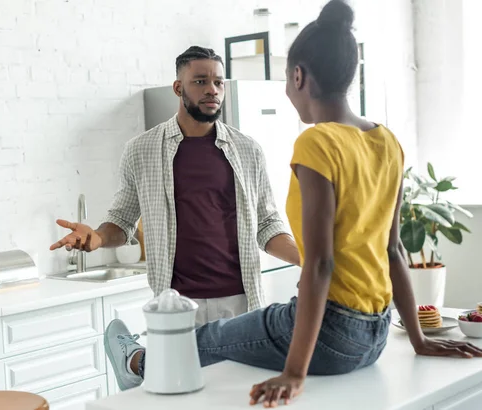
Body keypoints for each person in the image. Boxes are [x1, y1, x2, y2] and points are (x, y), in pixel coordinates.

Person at [101, 0, 482, 405]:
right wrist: (419, 338)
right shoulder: (387, 141)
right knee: (223, 356)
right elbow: (393, 250)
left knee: (203, 340)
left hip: (330, 333)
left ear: (298, 76)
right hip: (376, 334)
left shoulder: (316, 142)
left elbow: (320, 263)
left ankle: (136, 362)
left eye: (285, 79)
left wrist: (294, 373)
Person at [50, 46, 300, 326]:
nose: (212, 90)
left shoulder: (247, 150)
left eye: (218, 82)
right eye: (200, 81)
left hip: (241, 303)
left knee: (243, 372)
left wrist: (308, 259)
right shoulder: (141, 150)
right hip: (175, 306)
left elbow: (267, 225)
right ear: (178, 87)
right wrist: (97, 237)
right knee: (178, 372)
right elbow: (121, 221)